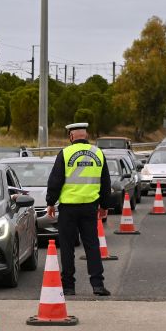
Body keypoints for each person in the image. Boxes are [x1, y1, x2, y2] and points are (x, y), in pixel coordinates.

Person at [45, 122, 112, 297]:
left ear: (71, 137)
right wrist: (104, 206)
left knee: (67, 247)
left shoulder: (65, 154)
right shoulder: (98, 153)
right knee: (92, 246)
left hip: (68, 208)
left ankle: (68, 287)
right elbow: (105, 182)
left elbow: (55, 180)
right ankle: (97, 285)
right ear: (86, 135)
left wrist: (50, 202)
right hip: (90, 207)